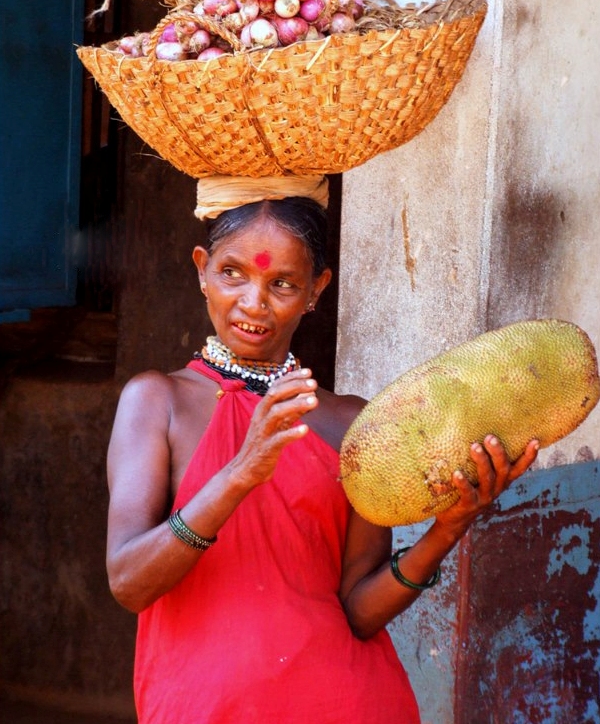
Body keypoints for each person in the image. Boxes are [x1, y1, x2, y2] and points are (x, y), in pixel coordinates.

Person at [106, 180, 539, 724]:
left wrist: (447, 531)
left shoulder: (349, 423)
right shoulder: (156, 402)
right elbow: (128, 582)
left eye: (282, 283)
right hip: (205, 706)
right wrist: (240, 473)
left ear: (316, 289)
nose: (253, 303)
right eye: (232, 272)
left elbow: (358, 612)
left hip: (342, 702)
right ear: (201, 269)